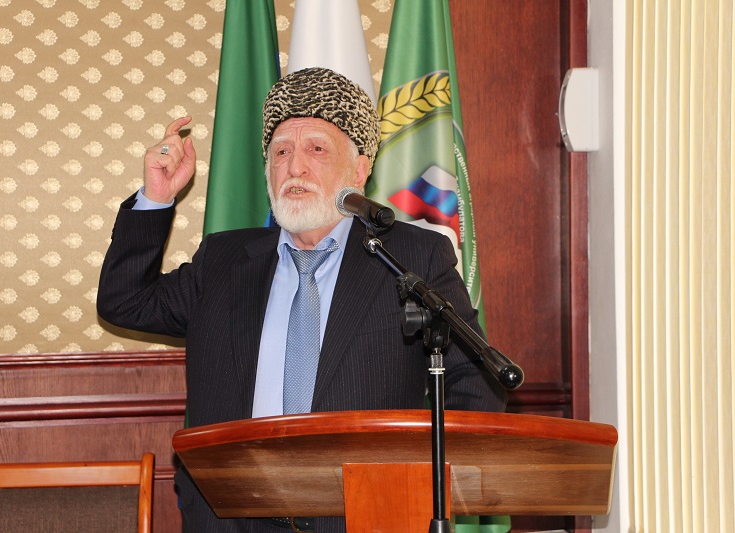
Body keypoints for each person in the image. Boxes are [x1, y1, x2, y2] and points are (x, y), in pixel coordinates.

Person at [98, 67, 507, 533]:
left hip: (369, 516)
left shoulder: (410, 258)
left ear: (359, 169)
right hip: (231, 518)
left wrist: (421, 491)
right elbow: (125, 302)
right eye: (281, 152)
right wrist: (156, 199)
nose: (295, 167)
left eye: (316, 149)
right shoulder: (224, 261)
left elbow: (474, 381)